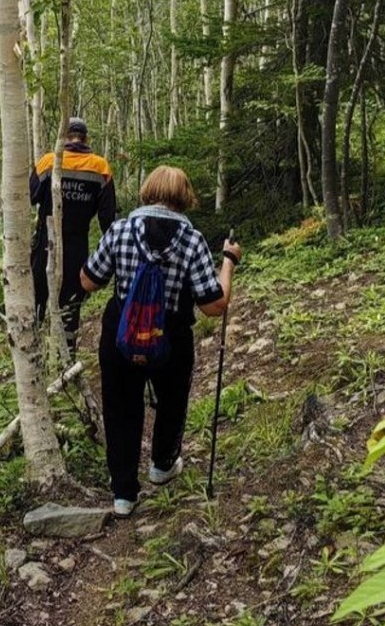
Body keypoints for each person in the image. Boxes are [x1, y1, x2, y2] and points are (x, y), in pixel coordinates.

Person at [80, 165, 242, 517]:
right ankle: (162, 465)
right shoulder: (192, 240)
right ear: (184, 197)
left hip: (121, 331)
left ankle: (123, 494)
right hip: (170, 334)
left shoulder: (120, 230)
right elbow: (214, 305)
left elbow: (90, 281)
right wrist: (228, 262)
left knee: (121, 409)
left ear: (147, 191)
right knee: (172, 399)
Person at [30, 117, 117, 350]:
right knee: (71, 300)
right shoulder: (101, 167)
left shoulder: (48, 161)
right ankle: (67, 356)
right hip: (77, 244)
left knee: (37, 295)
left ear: (63, 136)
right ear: (85, 138)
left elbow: (30, 196)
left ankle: (32, 351)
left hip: (45, 241)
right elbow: (108, 218)